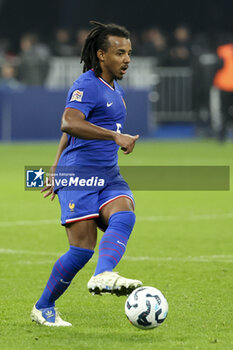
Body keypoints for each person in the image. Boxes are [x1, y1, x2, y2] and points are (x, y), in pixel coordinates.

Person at [31, 21, 143, 327]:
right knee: (81, 250)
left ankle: (104, 274)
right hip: (79, 177)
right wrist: (114, 137)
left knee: (125, 211)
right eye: (120, 53)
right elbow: (69, 123)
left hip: (107, 175)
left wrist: (54, 165)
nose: (127, 59)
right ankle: (44, 306)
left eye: (129, 53)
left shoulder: (115, 90)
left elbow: (70, 132)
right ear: (101, 55)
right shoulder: (86, 85)